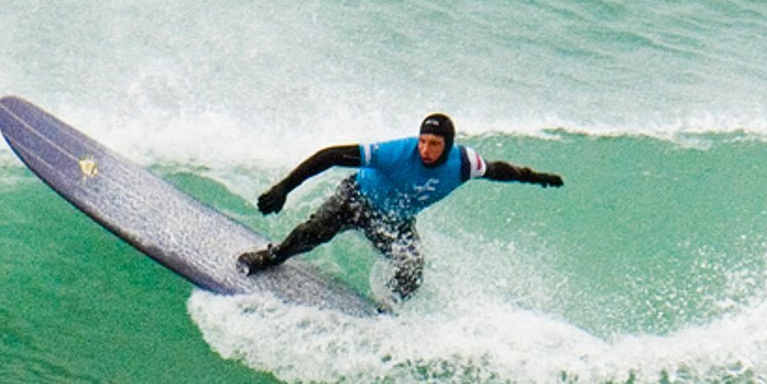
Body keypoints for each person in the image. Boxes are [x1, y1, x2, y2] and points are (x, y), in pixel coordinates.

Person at [237, 112, 563, 301]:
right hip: (358, 200)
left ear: (447, 145)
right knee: (311, 234)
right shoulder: (397, 152)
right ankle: (272, 256)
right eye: (423, 140)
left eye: (434, 144)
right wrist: (284, 187)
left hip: (395, 220)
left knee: (411, 270)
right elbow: (331, 155)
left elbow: (502, 171)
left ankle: (386, 307)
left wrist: (540, 178)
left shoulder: (464, 163)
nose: (425, 148)